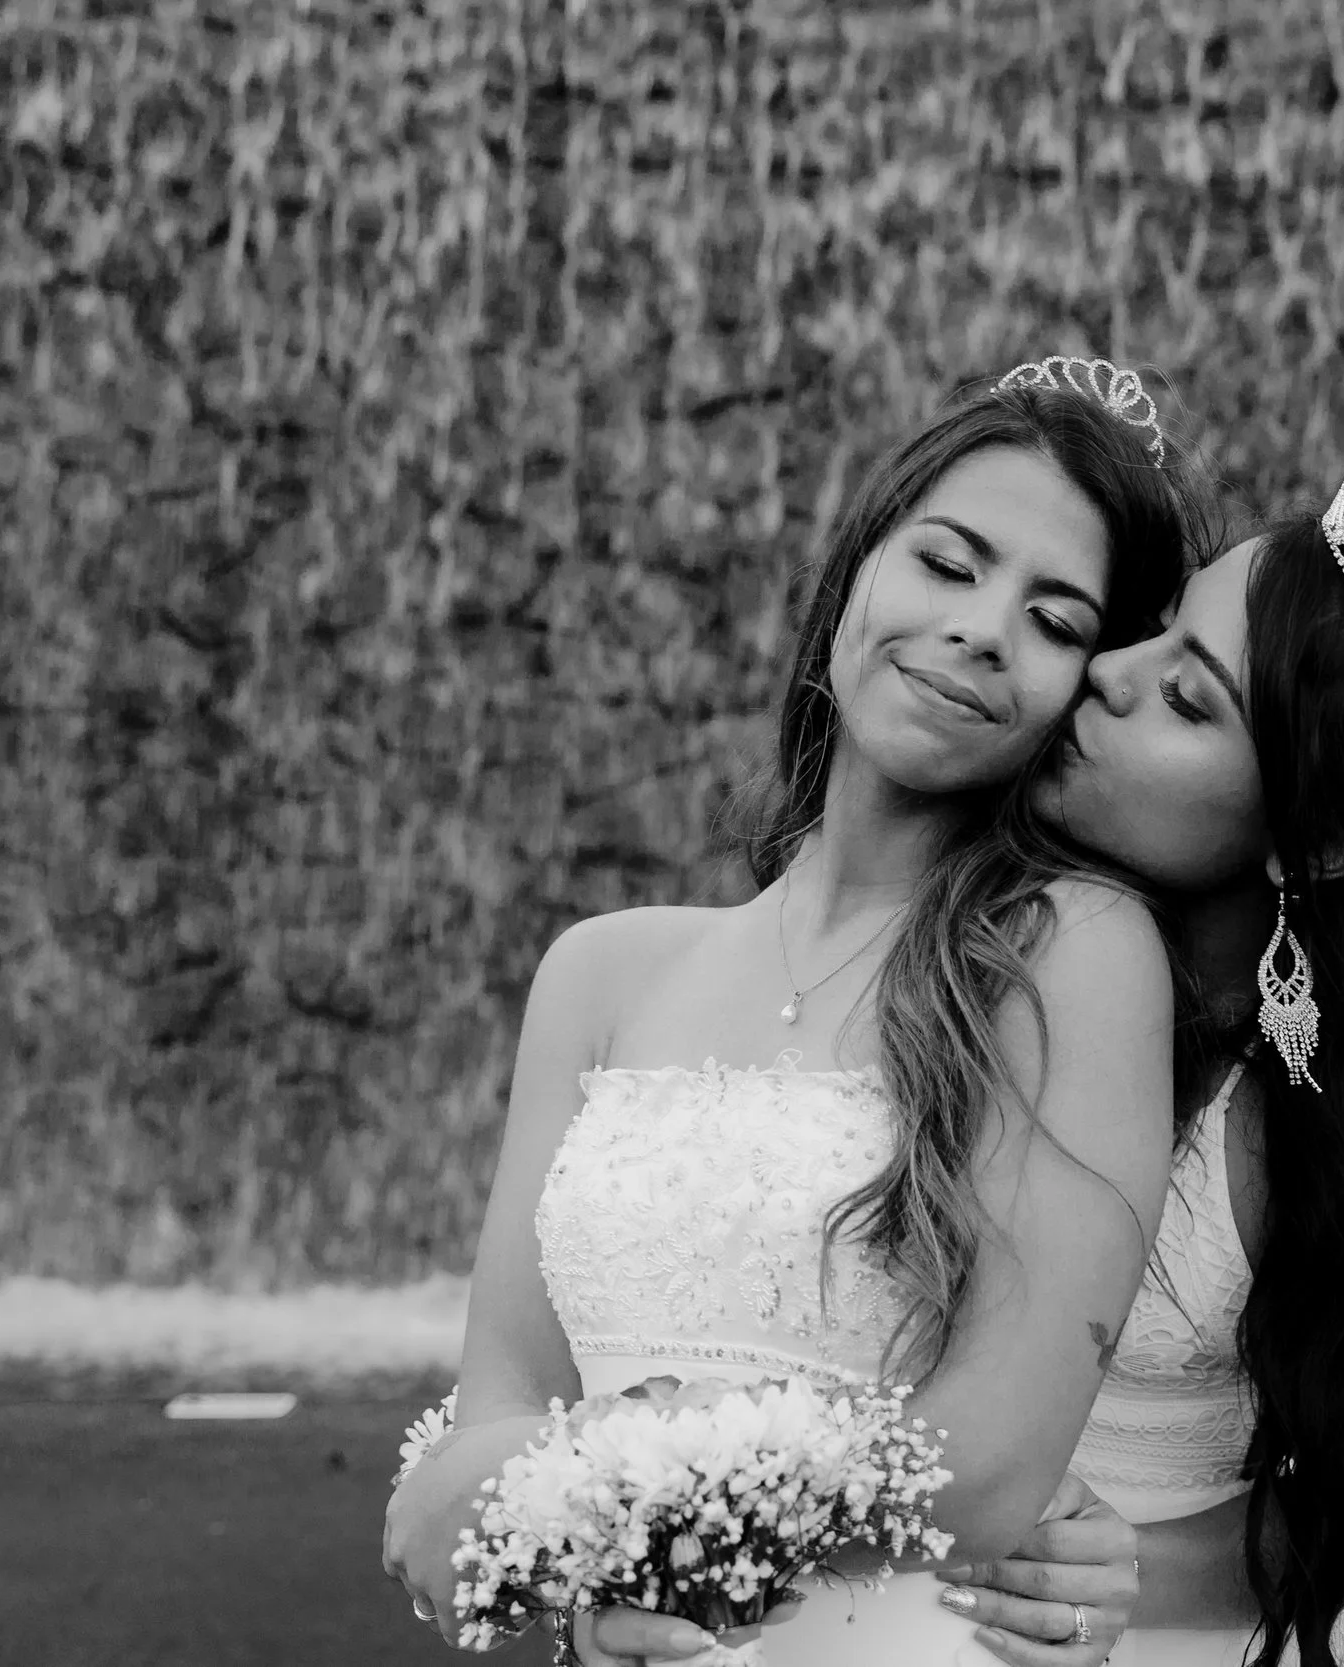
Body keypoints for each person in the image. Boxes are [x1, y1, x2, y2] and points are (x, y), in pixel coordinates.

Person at [383, 360, 1201, 1666]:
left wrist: (570, 1488)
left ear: (1082, 687)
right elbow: (488, 1421)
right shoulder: (599, 974)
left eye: (1054, 619)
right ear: (856, 567)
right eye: (948, 561)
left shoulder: (1070, 956)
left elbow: (984, 1465)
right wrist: (595, 1597)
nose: (985, 626)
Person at [942, 471, 1344, 1667]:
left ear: (1325, 835)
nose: (1104, 668)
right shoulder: (960, 924)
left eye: (1186, 698)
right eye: (1155, 627)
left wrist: (1104, 1571)